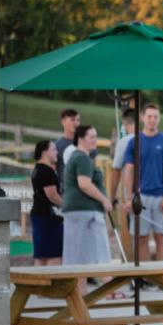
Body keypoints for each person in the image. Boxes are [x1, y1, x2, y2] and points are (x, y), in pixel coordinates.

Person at [61, 125, 114, 294]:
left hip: (76, 211)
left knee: (79, 258)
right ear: (81, 139)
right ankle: (110, 289)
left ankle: (81, 296)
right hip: (86, 212)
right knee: (99, 252)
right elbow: (84, 183)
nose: (95, 140)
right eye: (92, 137)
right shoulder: (82, 158)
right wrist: (104, 199)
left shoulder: (76, 157)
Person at [121, 103, 163, 261]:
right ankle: (145, 279)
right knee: (141, 239)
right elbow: (129, 171)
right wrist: (129, 198)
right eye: (149, 116)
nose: (152, 120)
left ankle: (161, 278)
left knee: (161, 238)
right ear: (142, 118)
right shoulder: (134, 142)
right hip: (140, 198)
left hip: (160, 198)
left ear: (159, 119)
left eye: (155, 117)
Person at [108, 106, 137, 258]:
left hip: (132, 195)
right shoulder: (150, 138)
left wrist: (111, 197)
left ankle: (136, 273)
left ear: (125, 125)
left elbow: (116, 171)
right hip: (152, 193)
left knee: (135, 236)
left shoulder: (125, 141)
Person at [29, 140, 64, 266]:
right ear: (44, 152)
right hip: (48, 217)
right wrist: (66, 206)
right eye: (54, 149)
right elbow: (52, 195)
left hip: (40, 215)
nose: (57, 152)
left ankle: (39, 285)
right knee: (54, 256)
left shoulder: (38, 169)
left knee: (41, 255)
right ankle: (51, 285)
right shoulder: (45, 170)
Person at [53, 107, 80, 185]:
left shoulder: (85, 143)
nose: (76, 123)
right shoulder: (56, 146)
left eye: (78, 120)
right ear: (63, 122)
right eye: (72, 120)